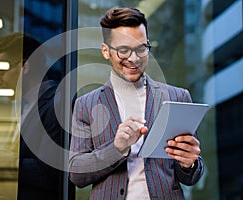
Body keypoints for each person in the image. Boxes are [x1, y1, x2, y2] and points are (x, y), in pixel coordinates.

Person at [69, 7, 204, 200]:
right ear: (106, 51)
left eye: (141, 48)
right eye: (124, 50)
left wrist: (189, 163)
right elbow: (76, 173)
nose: (134, 59)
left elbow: (191, 176)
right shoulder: (86, 105)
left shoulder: (178, 97)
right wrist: (117, 148)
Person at [0, 33, 65, 199]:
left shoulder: (58, 105)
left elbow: (50, 173)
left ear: (24, 67)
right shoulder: (24, 107)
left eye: (0, 73)